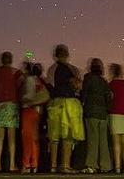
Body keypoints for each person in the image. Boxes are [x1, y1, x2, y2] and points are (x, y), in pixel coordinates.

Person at [47, 44, 85, 173]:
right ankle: (65, 165)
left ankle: (53, 166)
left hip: (55, 103)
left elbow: (49, 86)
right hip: (68, 103)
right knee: (68, 136)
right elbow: (77, 85)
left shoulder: (51, 69)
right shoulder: (69, 69)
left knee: (54, 136)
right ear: (67, 55)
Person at [81, 58, 113, 173]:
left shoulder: (88, 79)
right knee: (103, 141)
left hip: (91, 112)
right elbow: (108, 97)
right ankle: (106, 166)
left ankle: (91, 165)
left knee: (92, 140)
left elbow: (83, 94)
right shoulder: (104, 82)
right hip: (103, 114)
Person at [0, 51, 22, 172]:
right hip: (11, 104)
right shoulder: (16, 72)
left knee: (0, 137)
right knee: (11, 137)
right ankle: (12, 164)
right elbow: (20, 85)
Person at [20, 62, 49, 173]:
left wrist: (31, 102)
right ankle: (34, 164)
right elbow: (45, 95)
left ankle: (27, 164)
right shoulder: (38, 81)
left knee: (27, 137)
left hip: (29, 111)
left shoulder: (30, 80)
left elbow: (44, 95)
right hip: (35, 112)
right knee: (33, 138)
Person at [108, 64, 124, 173]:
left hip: (114, 112)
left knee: (116, 141)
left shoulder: (111, 84)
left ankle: (117, 167)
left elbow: (110, 98)